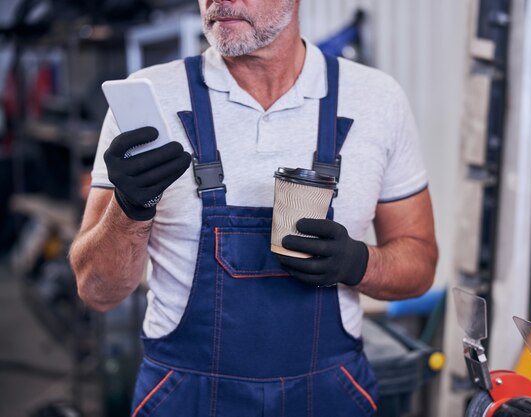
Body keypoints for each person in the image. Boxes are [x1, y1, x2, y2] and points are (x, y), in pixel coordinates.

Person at [69, 0, 438, 415]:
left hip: (327, 396)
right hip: (186, 398)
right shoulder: (150, 100)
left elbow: (420, 264)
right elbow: (96, 291)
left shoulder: (376, 100)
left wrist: (359, 264)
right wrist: (129, 209)